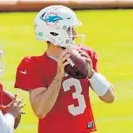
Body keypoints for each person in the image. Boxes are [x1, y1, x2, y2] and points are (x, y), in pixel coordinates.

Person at [14, 5, 115, 133]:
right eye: (70, 29)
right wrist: (59, 76)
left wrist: (91, 74)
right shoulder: (34, 64)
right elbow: (40, 111)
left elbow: (109, 98)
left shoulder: (85, 56)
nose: (75, 34)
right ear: (54, 33)